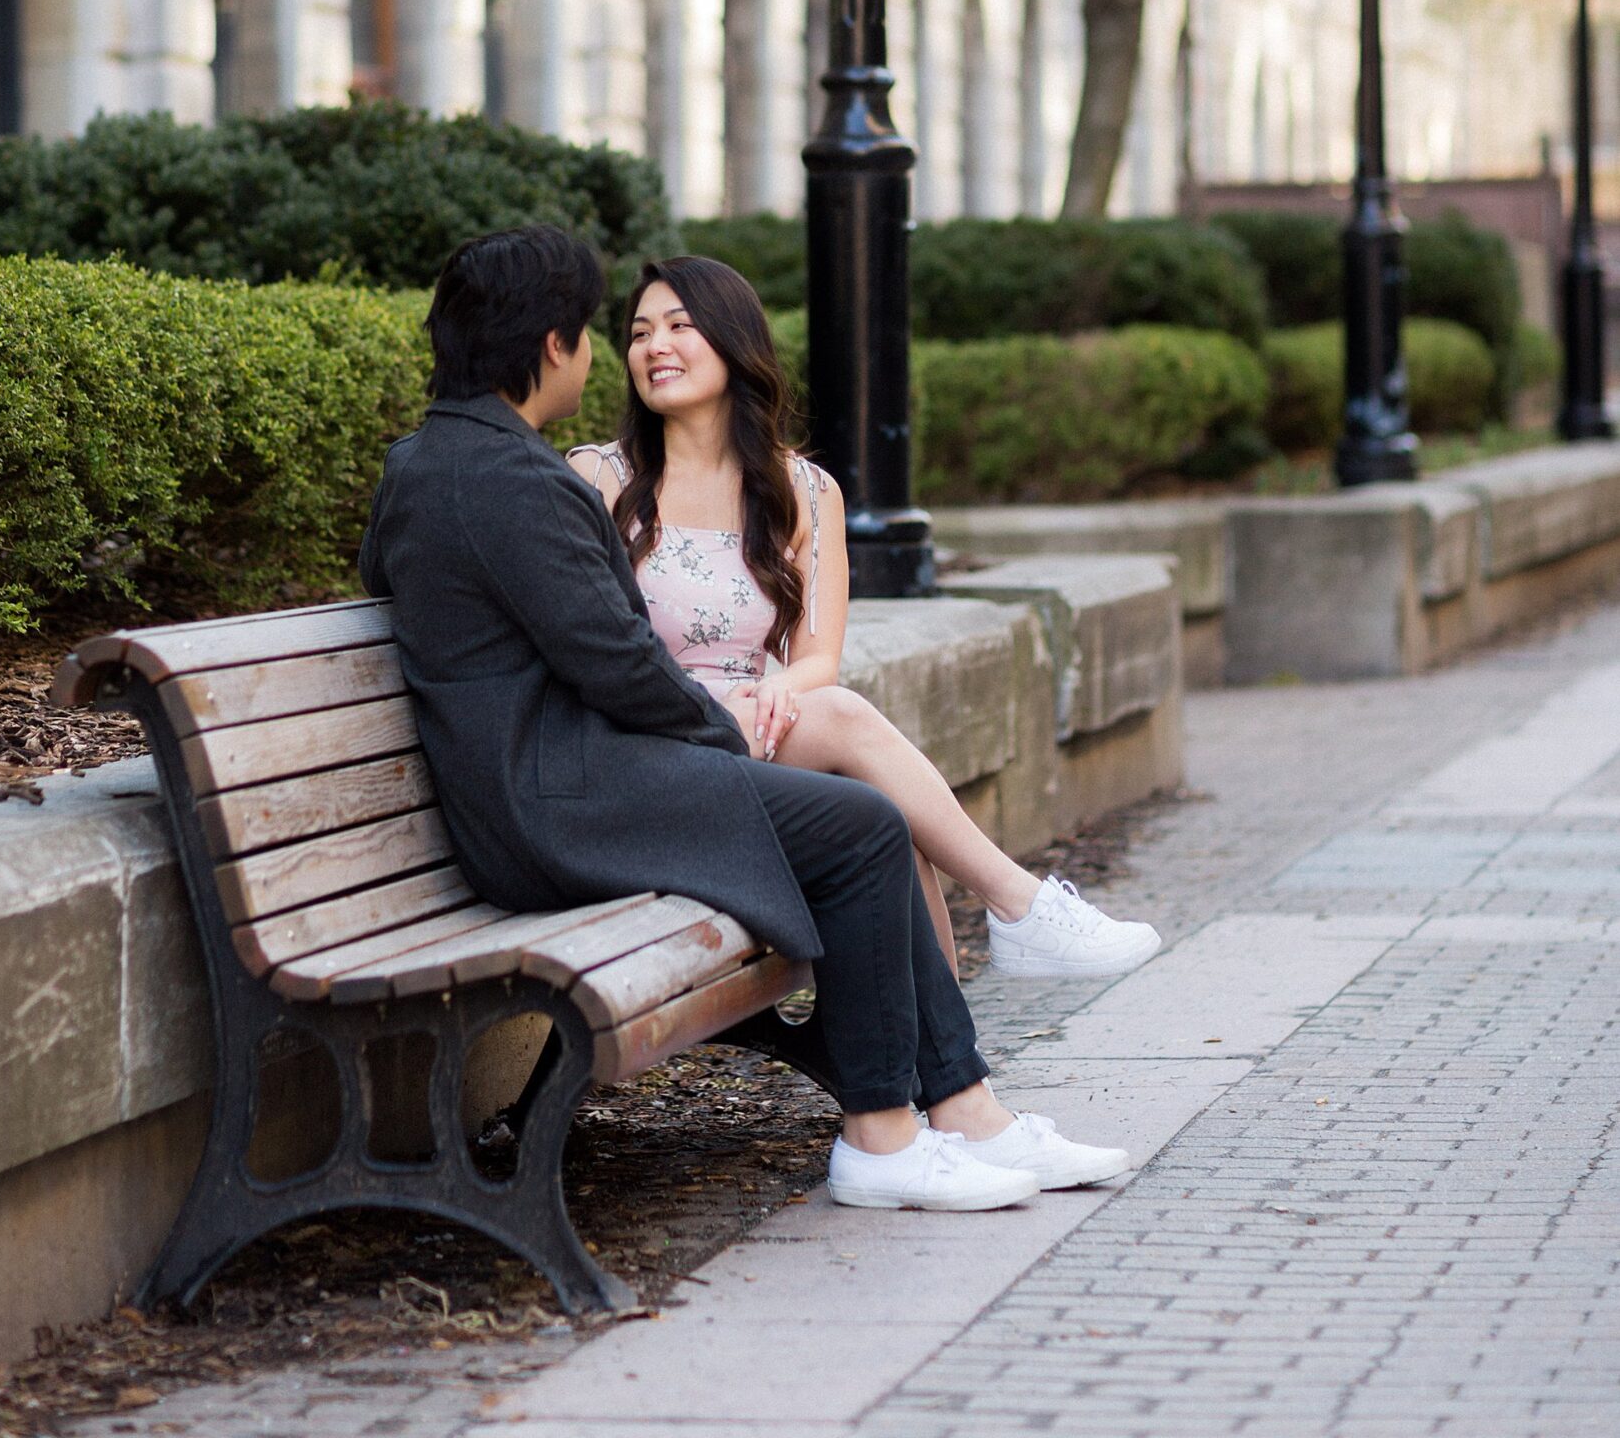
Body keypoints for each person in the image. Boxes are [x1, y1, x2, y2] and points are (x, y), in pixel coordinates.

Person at [361, 224, 1131, 1212]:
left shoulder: (427, 463)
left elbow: (408, 582)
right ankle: (886, 1140)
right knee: (860, 827)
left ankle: (964, 1114)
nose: (611, 351)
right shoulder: (515, 480)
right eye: (604, 330)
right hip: (555, 809)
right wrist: (729, 728)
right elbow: (618, 664)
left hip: (550, 785)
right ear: (555, 345)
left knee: (860, 818)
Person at [569, 254, 1162, 984]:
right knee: (850, 735)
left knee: (885, 817)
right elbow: (589, 648)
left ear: (733, 342)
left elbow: (817, 655)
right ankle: (1017, 907)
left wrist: (785, 689)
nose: (655, 346)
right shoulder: (600, 479)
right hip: (651, 745)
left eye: (680, 326)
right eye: (638, 333)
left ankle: (946, 1079)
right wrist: (738, 699)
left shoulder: (803, 489)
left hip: (748, 734)